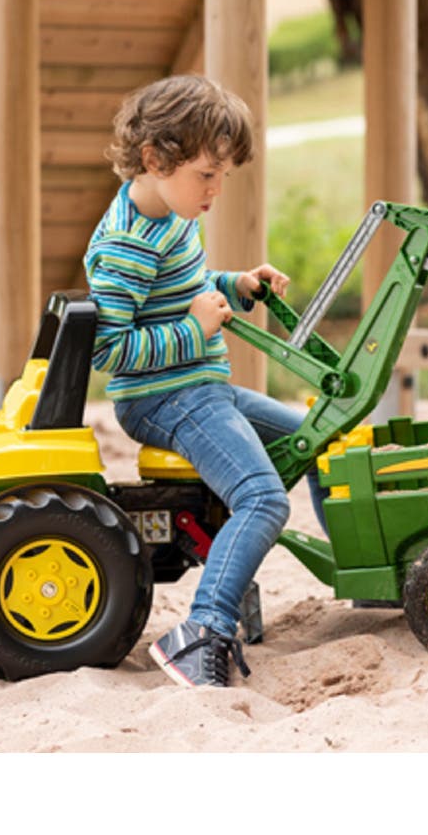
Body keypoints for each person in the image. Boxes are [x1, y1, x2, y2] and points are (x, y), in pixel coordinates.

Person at [84, 74, 327, 689]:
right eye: (207, 175)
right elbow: (110, 350)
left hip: (201, 389)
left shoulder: (170, 213)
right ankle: (203, 631)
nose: (217, 190)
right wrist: (195, 333)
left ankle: (355, 572)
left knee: (320, 436)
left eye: (223, 175)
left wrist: (232, 286)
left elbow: (181, 292)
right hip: (162, 398)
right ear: (154, 158)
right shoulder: (125, 245)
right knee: (264, 498)